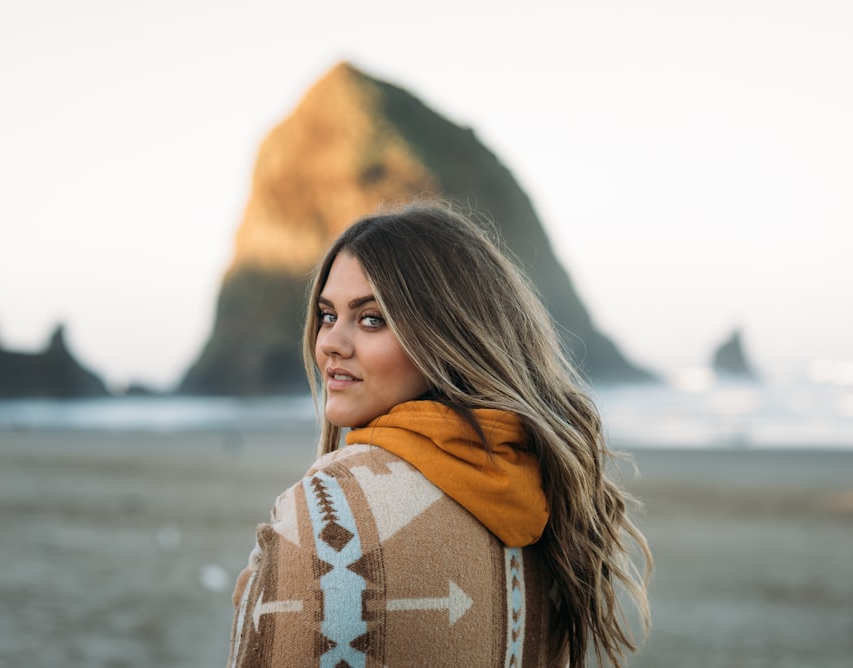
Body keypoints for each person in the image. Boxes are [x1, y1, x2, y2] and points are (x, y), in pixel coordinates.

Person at [226, 202, 652, 668]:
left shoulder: (325, 510)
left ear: (444, 335)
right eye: (327, 315)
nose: (330, 342)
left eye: (371, 319)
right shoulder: (546, 499)